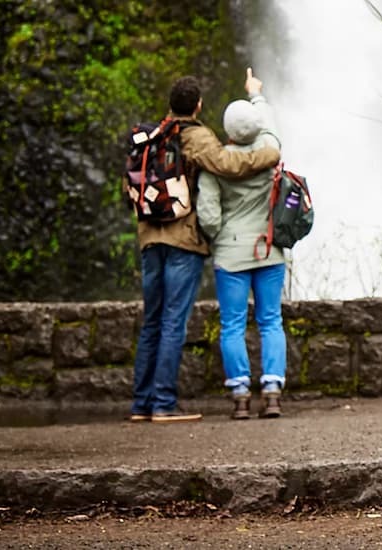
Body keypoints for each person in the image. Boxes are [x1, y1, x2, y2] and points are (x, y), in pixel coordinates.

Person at [132, 75, 281, 424]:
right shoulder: (197, 137)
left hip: (150, 237)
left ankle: (142, 403)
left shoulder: (154, 135)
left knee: (151, 321)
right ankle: (164, 403)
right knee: (172, 321)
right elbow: (228, 165)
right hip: (182, 240)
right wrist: (270, 153)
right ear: (198, 105)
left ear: (171, 104)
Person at [197, 69, 288, 420]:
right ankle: (272, 391)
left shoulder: (215, 165)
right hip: (269, 250)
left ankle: (239, 395)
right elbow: (270, 128)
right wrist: (256, 94)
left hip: (231, 255)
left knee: (232, 324)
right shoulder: (270, 152)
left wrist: (220, 238)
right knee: (270, 320)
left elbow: (208, 216)